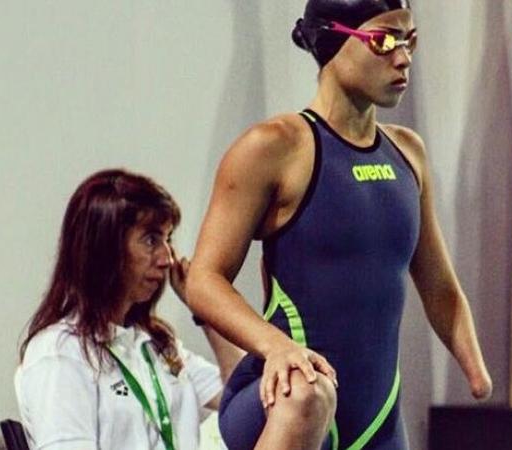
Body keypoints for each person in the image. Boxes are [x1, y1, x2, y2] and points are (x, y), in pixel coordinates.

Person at [186, 1, 493, 449]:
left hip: (378, 421)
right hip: (282, 401)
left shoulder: (408, 154)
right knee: (309, 393)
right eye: (384, 40)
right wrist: (276, 347)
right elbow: (203, 280)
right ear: (333, 38)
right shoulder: (274, 147)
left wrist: (476, 370)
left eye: (409, 40)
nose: (403, 57)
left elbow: (440, 288)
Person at [14, 169, 242, 450]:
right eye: (151, 240)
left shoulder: (158, 346)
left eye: (168, 239)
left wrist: (205, 310)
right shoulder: (59, 351)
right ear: (104, 247)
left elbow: (246, 402)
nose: (167, 259)